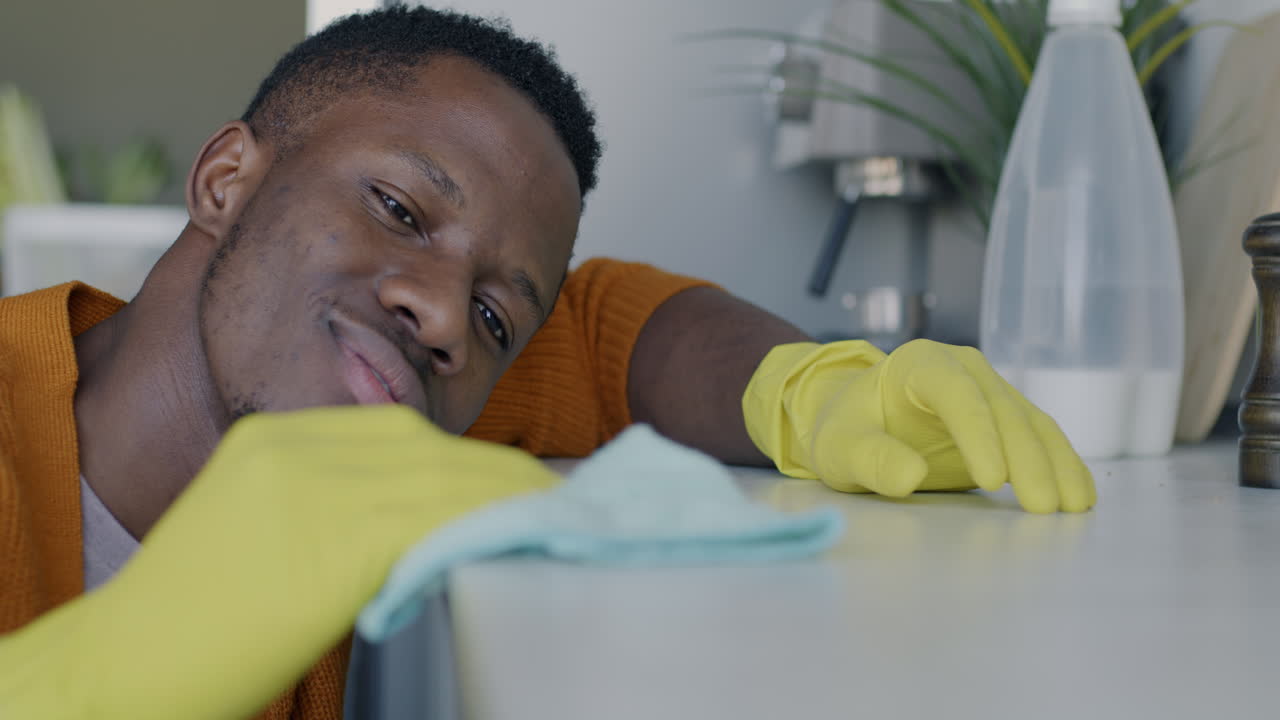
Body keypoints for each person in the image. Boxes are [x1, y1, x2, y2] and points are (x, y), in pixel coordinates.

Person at [0, 6, 1094, 719]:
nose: (438, 313)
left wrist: (808, 391)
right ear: (226, 177)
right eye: (397, 206)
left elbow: (612, 326)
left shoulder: (391, 374)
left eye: (491, 316)